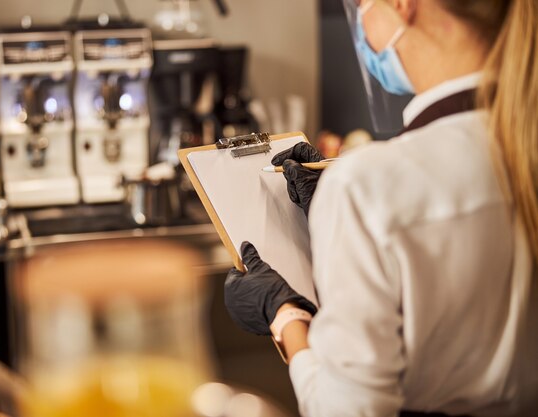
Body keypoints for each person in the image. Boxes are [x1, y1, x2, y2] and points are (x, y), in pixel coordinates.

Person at [224, 0, 538, 416]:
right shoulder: (518, 138)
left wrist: (283, 314)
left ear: (403, 6)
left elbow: (346, 410)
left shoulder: (367, 186)